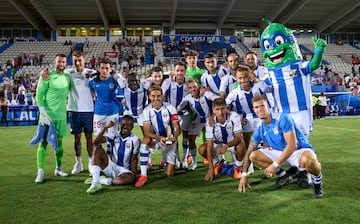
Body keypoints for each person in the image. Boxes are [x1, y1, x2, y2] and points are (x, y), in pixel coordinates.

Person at [238, 94, 324, 199]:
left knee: (310, 160)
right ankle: (285, 175)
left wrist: (274, 165)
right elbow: (249, 150)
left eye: (262, 106)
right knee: (253, 155)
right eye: (256, 107)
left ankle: (317, 184)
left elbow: (292, 146)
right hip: (280, 152)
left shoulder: (283, 118)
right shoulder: (260, 127)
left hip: (298, 151)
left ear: (268, 106)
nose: (259, 109)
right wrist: (244, 175)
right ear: (253, 110)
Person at [34, 53, 73, 183]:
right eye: (59, 62)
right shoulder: (47, 75)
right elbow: (39, 94)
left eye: (63, 62)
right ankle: (40, 171)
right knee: (43, 143)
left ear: (65, 63)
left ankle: (58, 168)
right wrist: (43, 112)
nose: (61, 64)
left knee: (59, 144)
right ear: (54, 62)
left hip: (61, 116)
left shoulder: (67, 77)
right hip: (47, 116)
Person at [135, 85, 181, 188]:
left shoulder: (170, 107)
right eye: (153, 96)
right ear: (149, 97)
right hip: (157, 139)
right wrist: (159, 138)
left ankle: (166, 161)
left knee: (169, 174)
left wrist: (174, 137)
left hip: (170, 140)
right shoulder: (147, 110)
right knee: (145, 141)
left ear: (162, 96)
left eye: (158, 96)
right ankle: (143, 175)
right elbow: (146, 132)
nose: (156, 99)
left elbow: (177, 127)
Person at [85, 115, 140, 194]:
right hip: (110, 165)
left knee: (126, 179)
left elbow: (134, 158)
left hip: (124, 170)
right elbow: (95, 142)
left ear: (132, 126)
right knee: (97, 149)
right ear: (120, 125)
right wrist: (105, 128)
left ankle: (98, 180)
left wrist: (134, 174)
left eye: (128, 125)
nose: (125, 127)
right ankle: (95, 183)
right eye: (123, 124)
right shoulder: (114, 135)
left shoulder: (135, 139)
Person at [64, 51, 97, 175]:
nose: (77, 63)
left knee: (89, 137)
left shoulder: (91, 73)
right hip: (73, 110)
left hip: (88, 110)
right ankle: (78, 163)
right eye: (75, 61)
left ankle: (90, 162)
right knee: (76, 138)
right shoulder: (68, 73)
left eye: (80, 60)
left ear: (84, 60)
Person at [225, 66, 273, 149]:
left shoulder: (258, 86)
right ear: (236, 78)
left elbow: (270, 89)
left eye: (245, 77)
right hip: (247, 119)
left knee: (267, 141)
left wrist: (257, 79)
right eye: (240, 78)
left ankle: (268, 158)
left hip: (262, 117)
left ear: (249, 77)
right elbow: (224, 105)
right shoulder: (234, 93)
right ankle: (251, 161)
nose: (243, 80)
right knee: (249, 144)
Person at [177, 79, 220, 169]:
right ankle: (194, 162)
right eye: (190, 88)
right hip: (200, 119)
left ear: (198, 86)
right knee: (191, 137)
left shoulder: (206, 94)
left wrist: (213, 116)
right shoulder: (187, 98)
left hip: (211, 119)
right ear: (188, 90)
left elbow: (219, 100)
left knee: (215, 139)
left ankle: (220, 160)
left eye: (194, 87)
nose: (193, 89)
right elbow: (178, 108)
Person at [198, 98, 246, 181]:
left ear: (226, 108)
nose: (220, 112)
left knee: (241, 146)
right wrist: (211, 169)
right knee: (202, 149)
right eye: (217, 109)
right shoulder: (210, 123)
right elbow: (209, 146)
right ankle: (216, 164)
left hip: (231, 142)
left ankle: (237, 167)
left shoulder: (234, 116)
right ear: (213, 110)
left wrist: (226, 146)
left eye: (223, 108)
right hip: (218, 143)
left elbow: (238, 137)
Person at [162, 61, 190, 169]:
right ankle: (177, 160)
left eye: (182, 71)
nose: (179, 73)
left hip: (185, 114)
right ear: (174, 71)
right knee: (173, 137)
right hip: (172, 115)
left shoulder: (189, 82)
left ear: (185, 72)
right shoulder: (167, 82)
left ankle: (185, 160)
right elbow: (163, 97)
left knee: (185, 137)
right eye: (177, 70)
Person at [89, 57, 121, 140]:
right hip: (98, 113)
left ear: (110, 69)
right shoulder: (93, 81)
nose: (104, 71)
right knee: (97, 139)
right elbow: (91, 93)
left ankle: (110, 152)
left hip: (113, 112)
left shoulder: (115, 80)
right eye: (102, 68)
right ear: (99, 69)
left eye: (107, 68)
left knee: (113, 138)